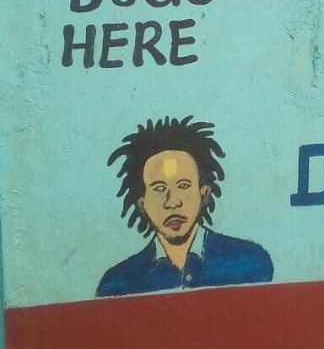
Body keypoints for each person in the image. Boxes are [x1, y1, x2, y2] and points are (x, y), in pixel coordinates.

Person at [96, 115, 273, 297]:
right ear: (142, 204)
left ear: (204, 194)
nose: (172, 202)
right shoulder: (117, 283)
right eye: (159, 189)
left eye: (183, 185)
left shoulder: (250, 262)